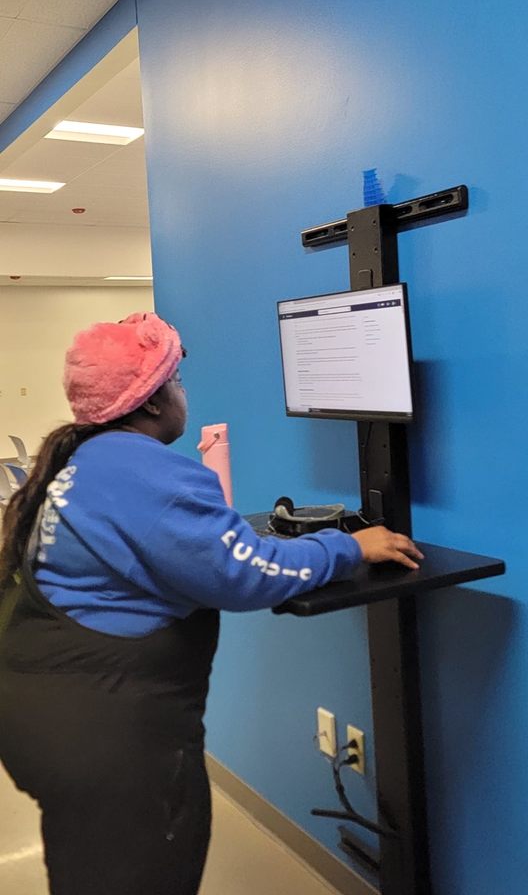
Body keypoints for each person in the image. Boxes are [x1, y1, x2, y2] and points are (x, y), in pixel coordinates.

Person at [0, 311, 423, 895]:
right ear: (150, 402)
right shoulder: (144, 469)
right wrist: (348, 546)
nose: (182, 394)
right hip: (110, 741)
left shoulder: (83, 459)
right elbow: (243, 573)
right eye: (175, 382)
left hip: (50, 716)